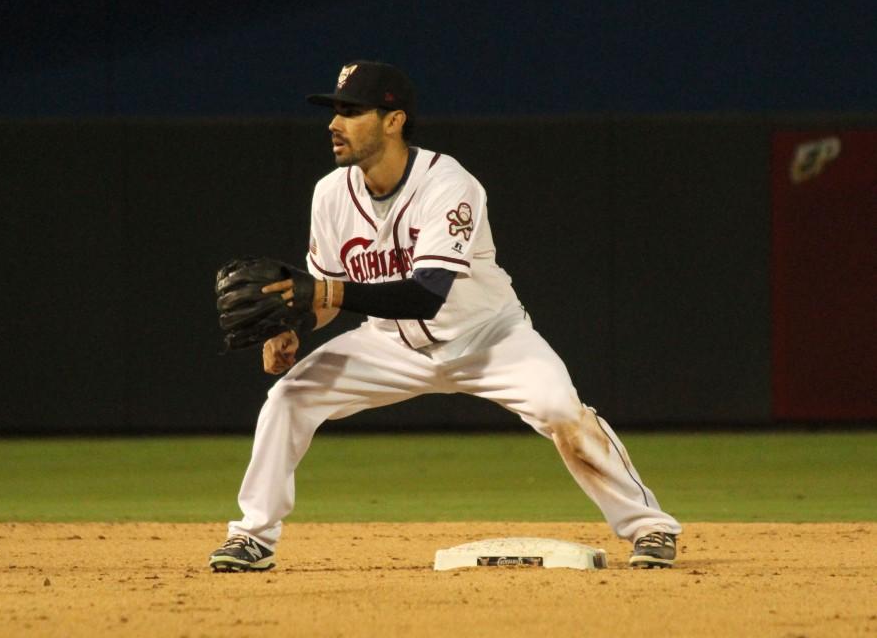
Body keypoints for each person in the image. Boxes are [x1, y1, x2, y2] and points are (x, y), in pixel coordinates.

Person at [209, 60, 681, 572]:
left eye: (351, 111)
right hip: (390, 344)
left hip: (491, 339)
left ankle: (649, 527)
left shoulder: (448, 184)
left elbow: (423, 296)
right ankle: (253, 536)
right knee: (289, 398)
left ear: (393, 120)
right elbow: (325, 295)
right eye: (334, 112)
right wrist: (291, 326)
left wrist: (321, 291)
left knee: (561, 410)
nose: (334, 124)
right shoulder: (330, 194)